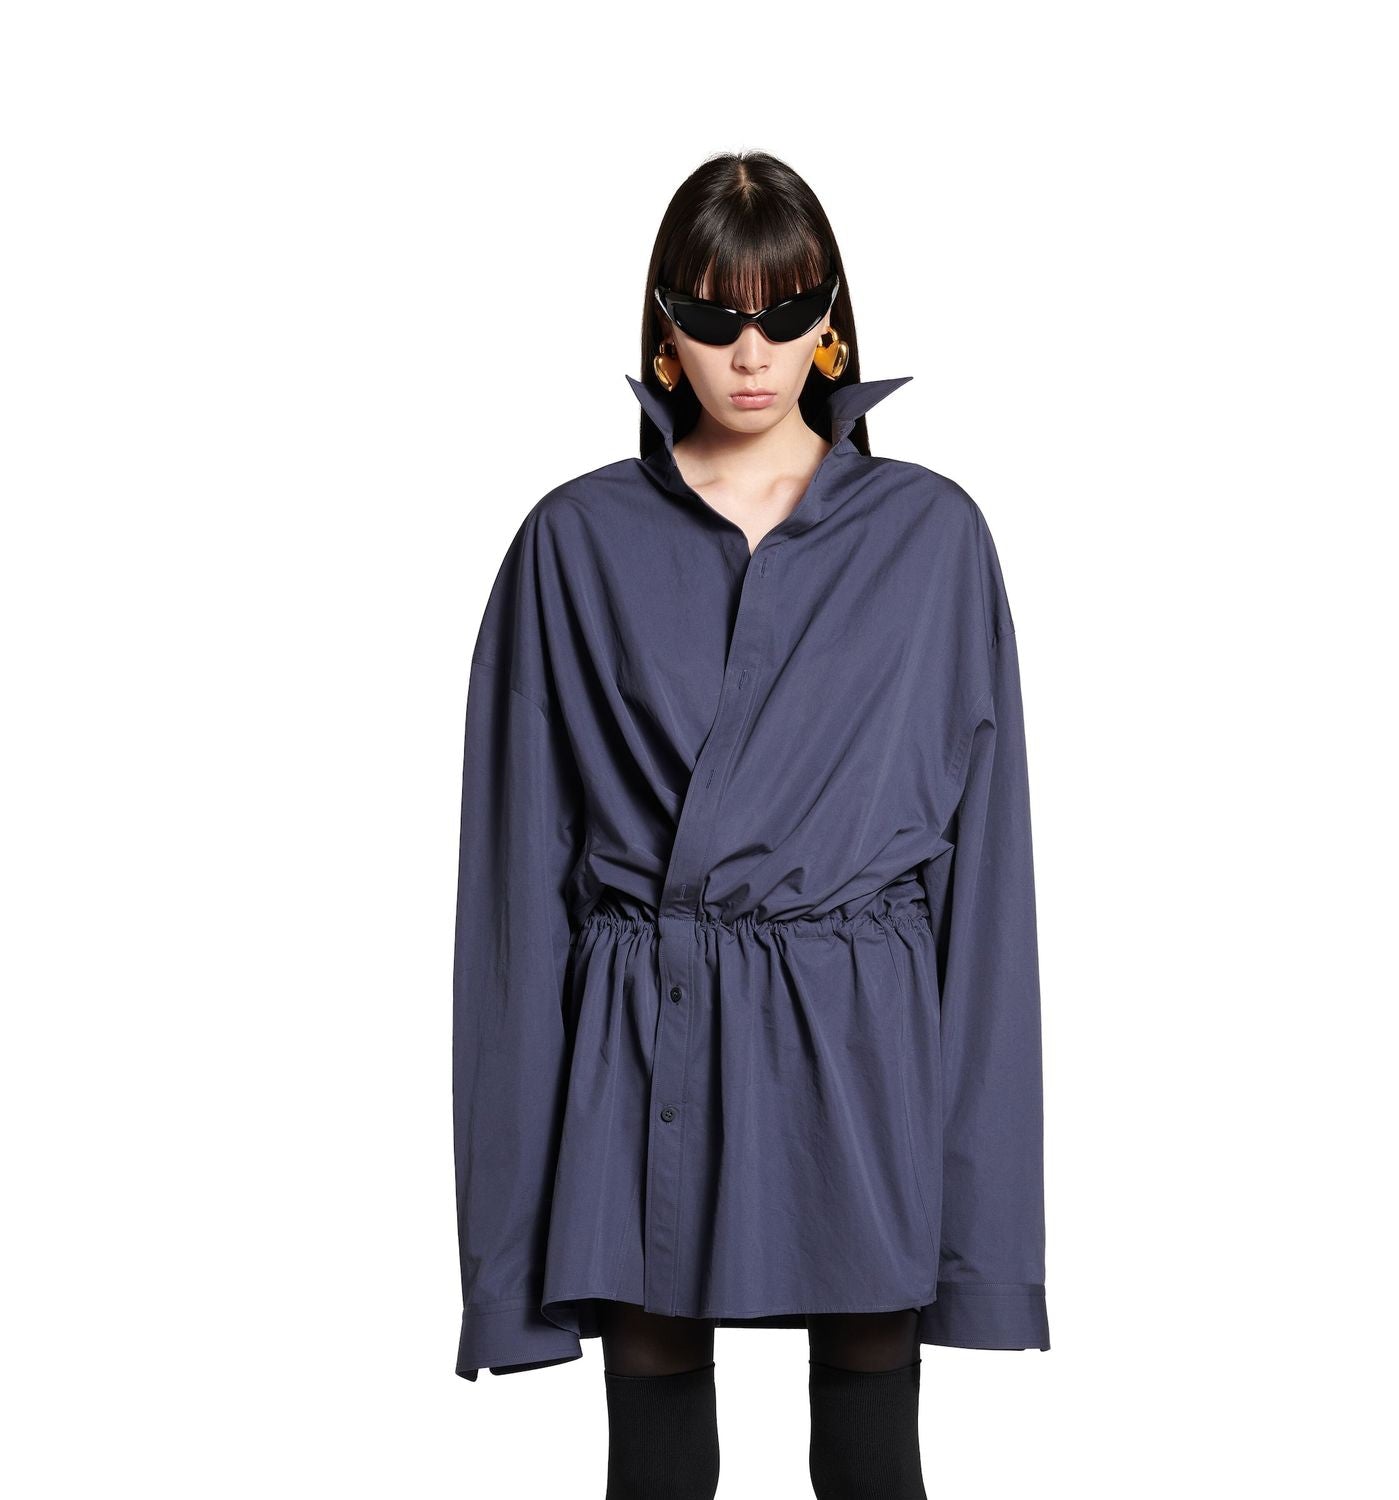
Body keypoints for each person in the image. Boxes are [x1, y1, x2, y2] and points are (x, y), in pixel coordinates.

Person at [451, 150, 1050, 1499]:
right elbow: (513, 895)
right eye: (714, 314)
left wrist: (990, 1232)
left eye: (785, 312)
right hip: (645, 1033)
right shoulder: (573, 541)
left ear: (830, 321)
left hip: (860, 1040)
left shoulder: (933, 536)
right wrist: (504, 1256)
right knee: (656, 1471)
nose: (750, 350)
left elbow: (986, 887)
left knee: (873, 1464)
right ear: (663, 327)